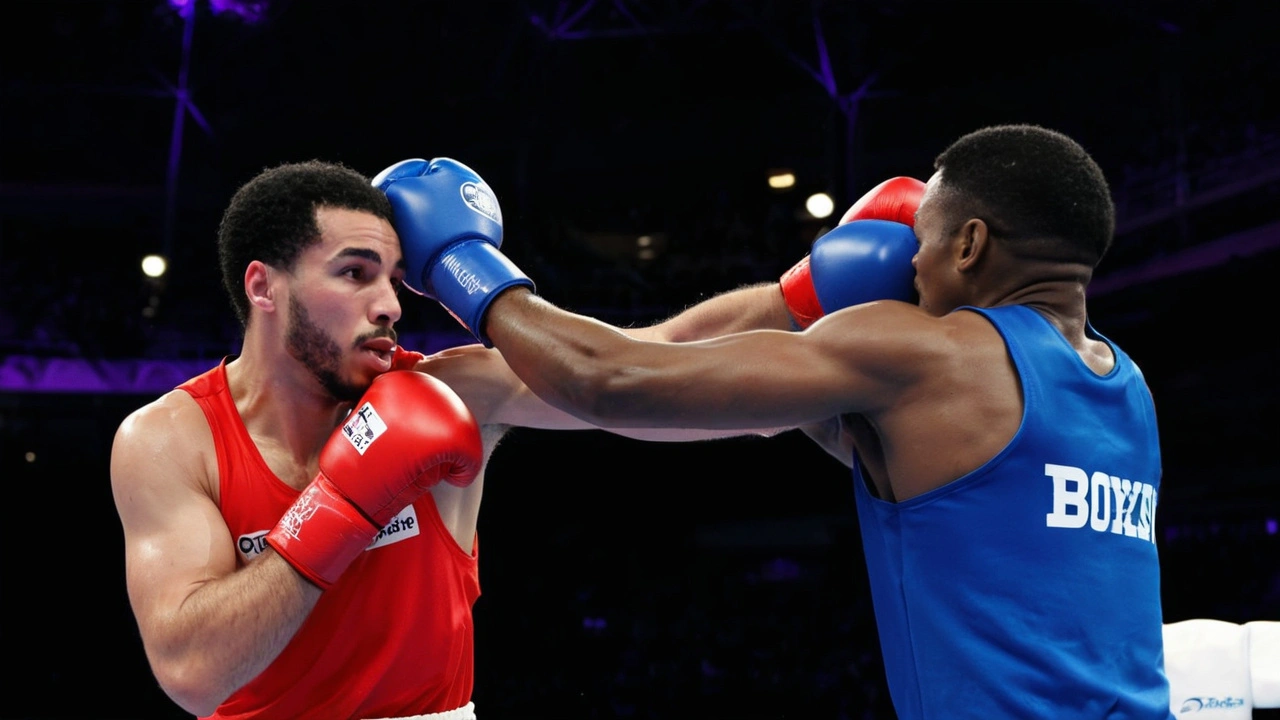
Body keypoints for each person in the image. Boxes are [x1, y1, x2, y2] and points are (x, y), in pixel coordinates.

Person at [377, 123, 1176, 719]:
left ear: (969, 244)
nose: (909, 266)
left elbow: (612, 377)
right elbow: (746, 398)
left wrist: (461, 264)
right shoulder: (1127, 389)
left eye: (922, 245)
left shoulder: (928, 357)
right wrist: (797, 297)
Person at [109, 159, 786, 720]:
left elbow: (657, 357)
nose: (392, 304)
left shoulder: (451, 392)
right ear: (264, 286)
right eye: (355, 272)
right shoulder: (171, 440)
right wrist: (342, 505)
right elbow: (193, 671)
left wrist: (809, 296)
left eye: (394, 277)